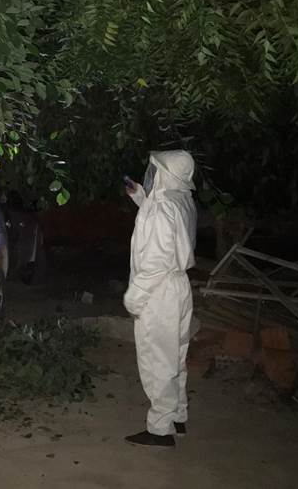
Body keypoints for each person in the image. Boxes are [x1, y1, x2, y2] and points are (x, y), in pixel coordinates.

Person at [123, 150, 197, 447]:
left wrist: (134, 298)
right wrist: (141, 197)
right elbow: (163, 221)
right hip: (179, 287)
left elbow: (155, 262)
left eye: (156, 171)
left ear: (165, 174)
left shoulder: (162, 209)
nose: (151, 174)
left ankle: (160, 430)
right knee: (176, 356)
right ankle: (177, 415)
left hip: (160, 291)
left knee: (158, 361)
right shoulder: (182, 200)